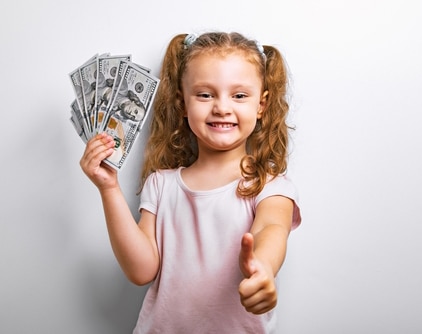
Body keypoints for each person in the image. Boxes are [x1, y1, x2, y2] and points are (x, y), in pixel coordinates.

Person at [80, 31, 301, 334]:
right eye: (205, 94)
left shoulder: (271, 186)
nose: (222, 107)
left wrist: (263, 268)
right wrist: (109, 189)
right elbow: (141, 270)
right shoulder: (160, 185)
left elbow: (271, 229)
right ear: (183, 104)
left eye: (239, 95)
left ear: (261, 105)